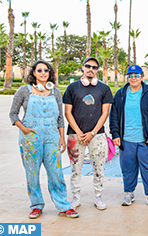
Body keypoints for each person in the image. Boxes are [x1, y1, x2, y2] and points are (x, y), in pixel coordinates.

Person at [9, 61, 79, 219]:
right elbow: (13, 114)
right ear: (33, 73)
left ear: (49, 73)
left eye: (46, 70)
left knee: (56, 172)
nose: (42, 73)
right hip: (30, 138)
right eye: (39, 70)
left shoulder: (55, 92)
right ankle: (36, 205)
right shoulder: (24, 91)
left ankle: (63, 206)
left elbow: (61, 117)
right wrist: (24, 128)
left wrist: (61, 138)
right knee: (32, 173)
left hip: (52, 137)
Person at [63, 57, 114, 210]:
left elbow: (105, 113)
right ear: (83, 68)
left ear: (98, 70)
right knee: (75, 168)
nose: (91, 69)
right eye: (88, 66)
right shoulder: (72, 88)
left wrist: (92, 132)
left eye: (94, 67)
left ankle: (98, 197)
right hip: (75, 136)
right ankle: (76, 197)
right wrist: (79, 132)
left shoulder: (104, 89)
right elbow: (67, 112)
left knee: (99, 168)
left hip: (97, 136)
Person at [110, 65, 148, 209]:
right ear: (128, 77)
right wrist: (115, 134)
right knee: (127, 168)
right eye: (131, 75)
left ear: (142, 77)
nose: (134, 77)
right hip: (126, 140)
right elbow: (114, 115)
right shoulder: (121, 94)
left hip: (145, 140)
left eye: (137, 75)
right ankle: (128, 193)